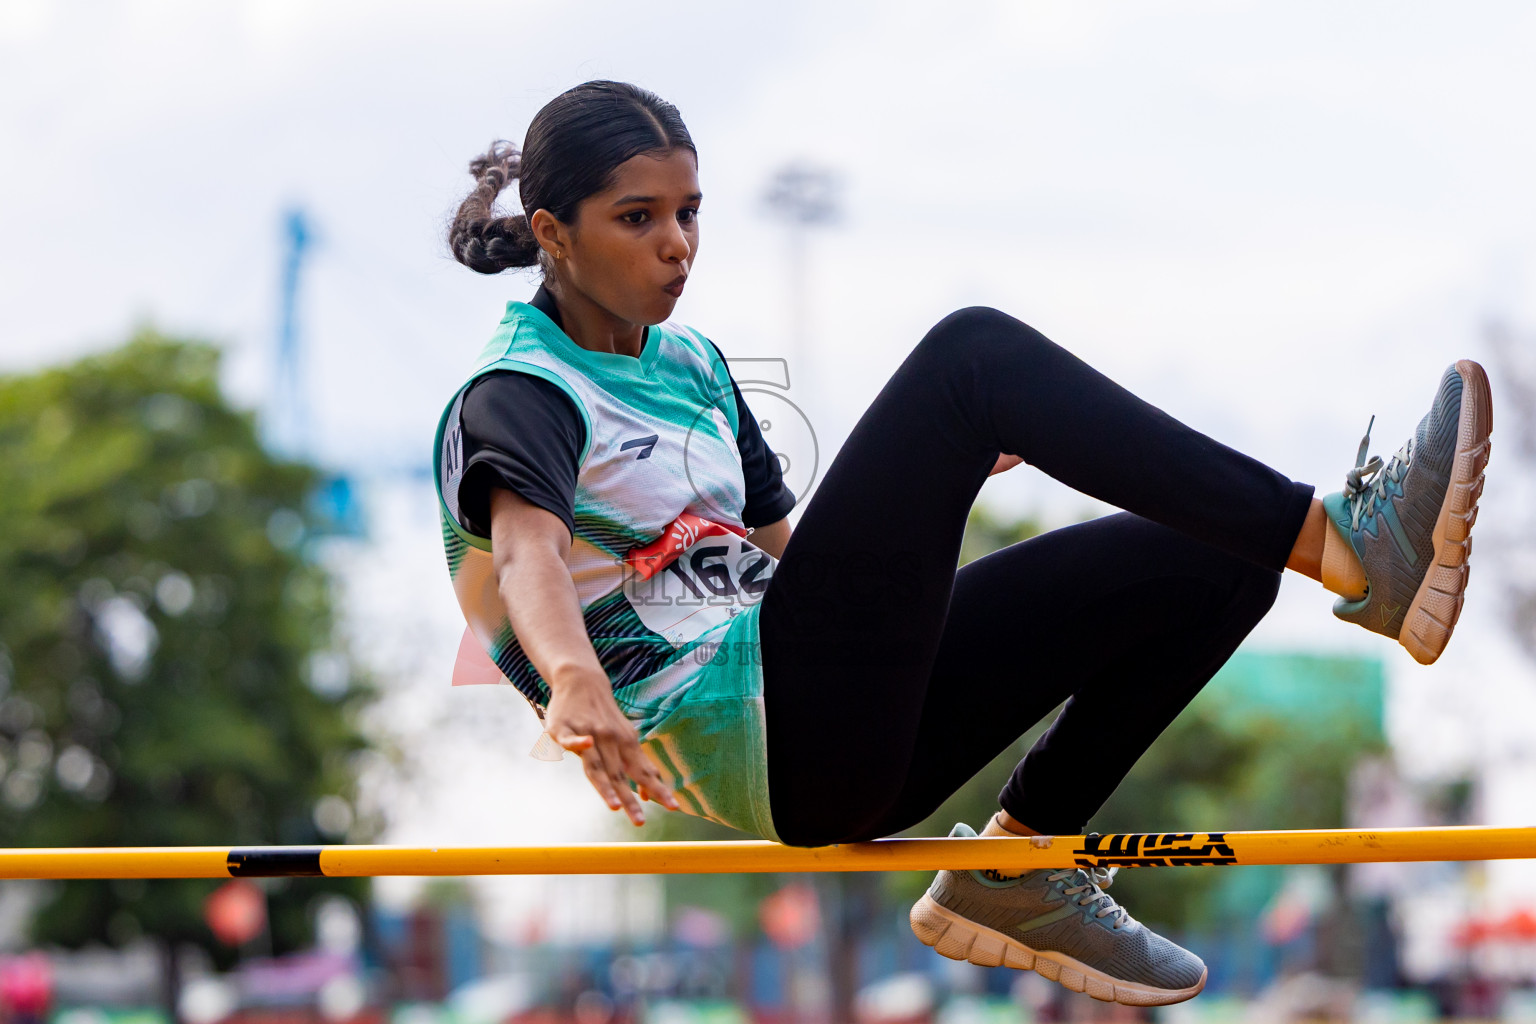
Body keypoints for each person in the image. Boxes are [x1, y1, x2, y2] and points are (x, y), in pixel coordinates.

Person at [431, 81, 1493, 1006]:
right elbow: (526, 551)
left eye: (690, 213)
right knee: (969, 360)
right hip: (769, 742)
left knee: (1212, 556)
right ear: (554, 232)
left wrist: (922, 498)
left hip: (841, 718)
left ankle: (1015, 869)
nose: (678, 244)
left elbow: (797, 569)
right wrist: (570, 676)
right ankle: (1355, 550)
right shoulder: (525, 389)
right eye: (639, 217)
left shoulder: (694, 365)